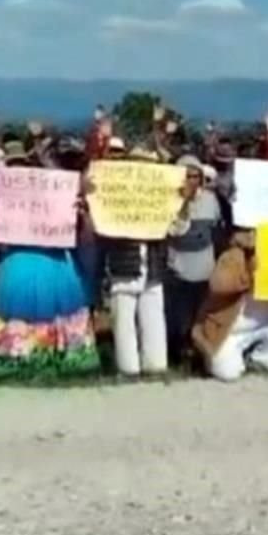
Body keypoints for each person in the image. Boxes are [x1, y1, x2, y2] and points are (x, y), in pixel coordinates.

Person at [0, 140, 101, 382]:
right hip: (39, 261)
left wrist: (82, 212)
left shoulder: (67, 194)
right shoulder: (18, 190)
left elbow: (86, 236)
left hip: (42, 261)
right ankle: (29, 357)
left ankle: (23, 357)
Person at [192, 229, 268, 381]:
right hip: (229, 331)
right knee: (228, 373)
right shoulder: (235, 255)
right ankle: (214, 356)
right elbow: (217, 284)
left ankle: (259, 359)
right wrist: (249, 276)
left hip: (262, 325)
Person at [102, 149, 173, 378]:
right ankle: (128, 368)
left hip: (152, 265)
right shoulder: (115, 196)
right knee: (123, 320)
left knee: (153, 318)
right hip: (124, 264)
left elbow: (178, 227)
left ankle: (156, 365)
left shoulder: (163, 199)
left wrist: (182, 203)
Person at [165, 155, 222, 369]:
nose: (192, 180)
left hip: (204, 268)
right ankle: (179, 354)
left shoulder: (210, 199)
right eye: (187, 176)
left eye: (195, 176)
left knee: (200, 314)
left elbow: (215, 228)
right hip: (178, 267)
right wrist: (183, 203)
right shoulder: (169, 200)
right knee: (180, 316)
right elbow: (174, 231)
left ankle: (198, 356)